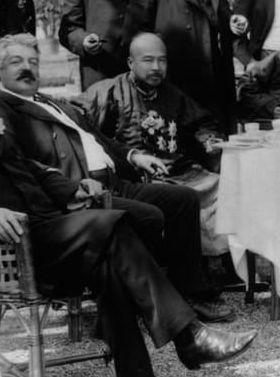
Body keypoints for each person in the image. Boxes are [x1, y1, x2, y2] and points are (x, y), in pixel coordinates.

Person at [0, 44, 256, 377]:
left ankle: (143, 371)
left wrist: (72, 188)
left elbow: (31, 169)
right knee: (113, 225)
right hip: (3, 248)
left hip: (45, 232)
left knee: (111, 268)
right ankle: (188, 335)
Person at [0, 33, 234, 323]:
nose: (27, 68)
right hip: (80, 192)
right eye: (17, 62)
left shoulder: (53, 103)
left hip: (114, 183)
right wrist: (70, 188)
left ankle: (188, 292)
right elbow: (22, 164)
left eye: (33, 62)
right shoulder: (0, 110)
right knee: (148, 216)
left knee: (183, 199)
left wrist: (133, 156)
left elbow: (101, 139)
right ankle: (136, 304)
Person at [83, 32, 228, 258]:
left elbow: (201, 122)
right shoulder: (108, 90)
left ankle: (224, 262)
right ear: (131, 62)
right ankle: (184, 264)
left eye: (162, 60)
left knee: (224, 187)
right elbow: (77, 116)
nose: (156, 67)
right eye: (148, 60)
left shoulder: (173, 94)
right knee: (177, 197)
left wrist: (208, 139)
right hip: (136, 175)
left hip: (179, 169)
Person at [124, 0, 237, 135]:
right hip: (179, 87)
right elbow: (135, 39)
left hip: (217, 85)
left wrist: (235, 23)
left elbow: (220, 22)